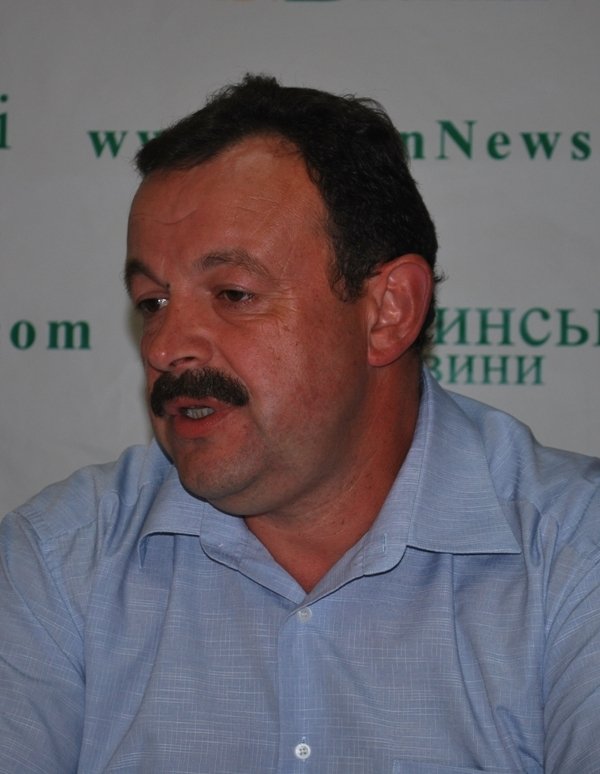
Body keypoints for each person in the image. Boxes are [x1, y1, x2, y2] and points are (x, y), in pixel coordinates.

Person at [1, 74, 599, 774]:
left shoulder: (573, 552)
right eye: (153, 301)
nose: (165, 347)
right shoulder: (59, 561)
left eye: (233, 293)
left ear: (389, 312)